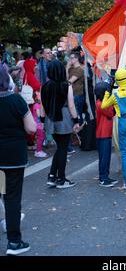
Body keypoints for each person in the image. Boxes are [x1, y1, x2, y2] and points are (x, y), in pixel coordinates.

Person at [0, 63, 36, 255]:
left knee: (0, 192)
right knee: (12, 199)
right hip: (13, 157)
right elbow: (31, 128)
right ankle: (14, 242)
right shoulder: (16, 100)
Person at [41, 60, 80, 188]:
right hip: (63, 118)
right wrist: (76, 120)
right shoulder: (66, 85)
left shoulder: (44, 86)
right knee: (63, 149)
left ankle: (52, 176)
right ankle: (61, 179)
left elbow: (42, 107)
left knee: (60, 147)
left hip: (50, 118)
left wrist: (42, 120)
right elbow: (71, 105)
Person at [95, 81, 118, 187]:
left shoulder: (100, 103)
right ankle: (103, 178)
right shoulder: (101, 104)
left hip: (103, 134)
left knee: (105, 157)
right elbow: (112, 112)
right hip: (103, 134)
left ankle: (105, 176)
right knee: (104, 157)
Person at [32, 91, 48, 158]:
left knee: (41, 137)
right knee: (41, 137)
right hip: (39, 125)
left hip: (40, 124)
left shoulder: (39, 104)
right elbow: (39, 115)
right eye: (39, 95)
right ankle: (38, 151)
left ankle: (38, 150)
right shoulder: (37, 105)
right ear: (36, 98)